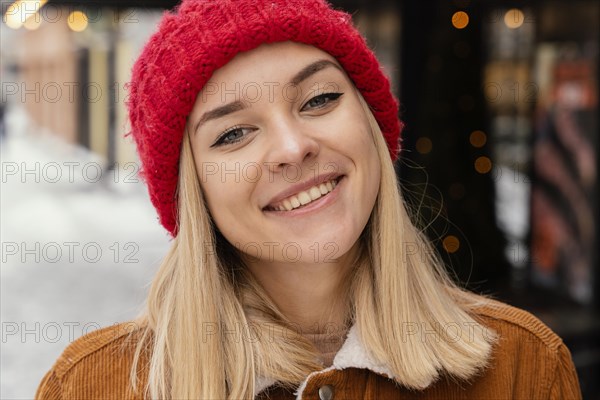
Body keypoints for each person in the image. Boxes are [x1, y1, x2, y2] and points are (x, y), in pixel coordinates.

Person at [36, 0, 582, 399]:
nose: (293, 148)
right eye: (232, 133)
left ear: (371, 127)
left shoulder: (524, 369)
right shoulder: (91, 386)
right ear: (192, 190)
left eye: (319, 99)